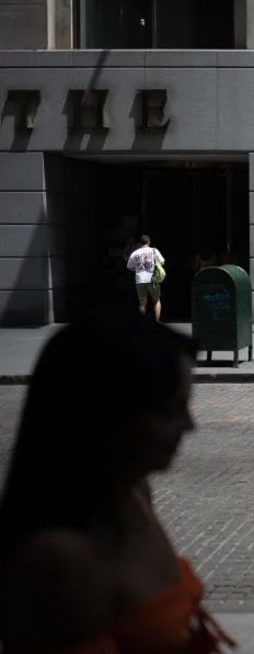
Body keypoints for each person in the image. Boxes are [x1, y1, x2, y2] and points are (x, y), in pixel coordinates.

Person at [0, 308, 234, 653]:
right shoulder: (60, 560)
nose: (189, 426)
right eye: (171, 409)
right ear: (106, 415)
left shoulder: (134, 493)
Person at [126, 234, 166, 322]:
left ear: (140, 243)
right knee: (156, 300)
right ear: (149, 242)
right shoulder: (154, 250)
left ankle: (142, 323)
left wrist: (138, 268)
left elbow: (129, 267)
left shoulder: (134, 253)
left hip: (140, 280)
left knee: (142, 303)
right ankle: (157, 321)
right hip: (153, 279)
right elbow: (162, 262)